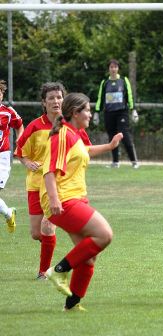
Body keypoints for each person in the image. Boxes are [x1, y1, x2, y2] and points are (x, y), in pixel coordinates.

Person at [41, 92, 123, 312]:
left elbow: (84, 151)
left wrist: (109, 147)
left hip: (73, 198)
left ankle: (71, 304)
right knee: (104, 235)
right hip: (63, 200)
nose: (90, 114)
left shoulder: (74, 134)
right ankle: (58, 270)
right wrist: (54, 199)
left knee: (88, 258)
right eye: (87, 110)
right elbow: (48, 170)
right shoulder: (62, 136)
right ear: (75, 113)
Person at [15, 82, 68, 280]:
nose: (56, 101)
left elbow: (84, 148)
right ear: (43, 103)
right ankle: (49, 241)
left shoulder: (69, 125)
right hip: (35, 185)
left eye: (59, 97)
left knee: (48, 226)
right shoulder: (35, 126)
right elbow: (20, 152)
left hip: (59, 185)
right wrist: (27, 162)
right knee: (37, 234)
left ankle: (43, 272)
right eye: (51, 98)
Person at [94, 58, 139, 169]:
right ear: (109, 69)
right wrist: (96, 112)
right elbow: (100, 98)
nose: (113, 69)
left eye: (115, 67)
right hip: (109, 113)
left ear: (118, 69)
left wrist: (133, 109)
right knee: (112, 137)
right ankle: (115, 162)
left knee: (125, 135)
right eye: (111, 67)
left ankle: (134, 161)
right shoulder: (104, 83)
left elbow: (129, 95)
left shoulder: (124, 80)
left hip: (122, 112)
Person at [0, 79, 24, 233]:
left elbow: (20, 125)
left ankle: (9, 213)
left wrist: (19, 140)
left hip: (2, 157)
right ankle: (9, 213)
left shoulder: (7, 112)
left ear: (2, 95)